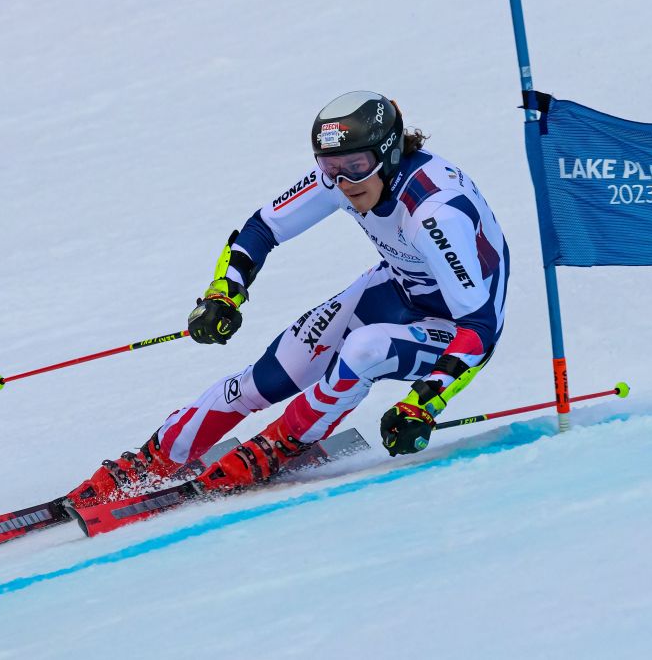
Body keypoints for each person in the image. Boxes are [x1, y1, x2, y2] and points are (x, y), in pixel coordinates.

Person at [66, 91, 510, 507]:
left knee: (363, 351)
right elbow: (263, 228)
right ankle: (152, 461)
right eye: (331, 167)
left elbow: (481, 328)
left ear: (390, 153)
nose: (344, 182)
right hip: (400, 287)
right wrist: (225, 292)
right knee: (268, 377)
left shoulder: (433, 213)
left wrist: (424, 403)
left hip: (457, 328)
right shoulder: (344, 179)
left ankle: (281, 444)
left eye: (356, 166)